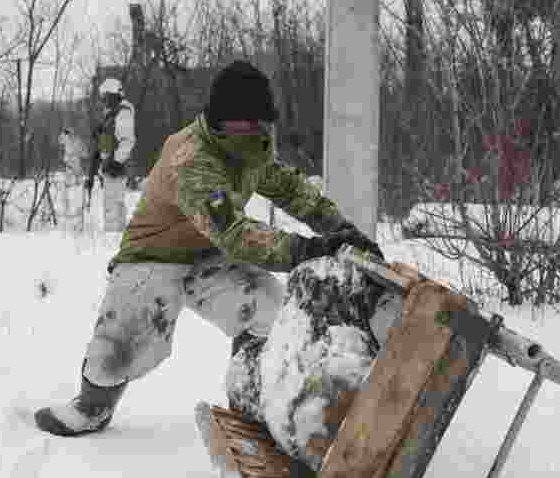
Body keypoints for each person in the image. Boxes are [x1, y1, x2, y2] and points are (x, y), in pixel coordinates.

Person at [35, 60, 384, 437]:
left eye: (258, 126)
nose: (252, 134)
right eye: (243, 126)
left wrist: (341, 230)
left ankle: (251, 393)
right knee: (121, 346)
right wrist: (310, 250)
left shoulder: (254, 149)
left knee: (270, 310)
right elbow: (233, 232)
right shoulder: (191, 157)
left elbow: (293, 191)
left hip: (209, 258)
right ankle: (92, 406)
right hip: (154, 257)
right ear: (221, 122)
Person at [85, 78, 136, 231]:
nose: (103, 101)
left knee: (112, 207)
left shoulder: (123, 113)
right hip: (110, 167)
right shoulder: (112, 115)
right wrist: (100, 134)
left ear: (113, 96)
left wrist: (116, 161)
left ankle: (113, 239)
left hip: (115, 168)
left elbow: (127, 141)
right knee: (114, 206)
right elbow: (108, 141)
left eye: (105, 97)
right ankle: (116, 237)